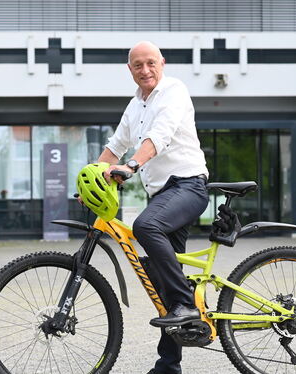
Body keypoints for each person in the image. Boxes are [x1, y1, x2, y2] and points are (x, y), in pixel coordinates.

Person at [96, 41, 209, 374]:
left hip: (189, 186)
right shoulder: (135, 106)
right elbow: (114, 147)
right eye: (137, 66)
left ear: (162, 63)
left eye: (150, 63)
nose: (145, 70)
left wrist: (131, 165)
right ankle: (169, 365)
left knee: (146, 226)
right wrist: (89, 180)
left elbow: (160, 136)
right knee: (160, 278)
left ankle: (186, 303)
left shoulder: (174, 90)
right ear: (129, 70)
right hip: (163, 194)